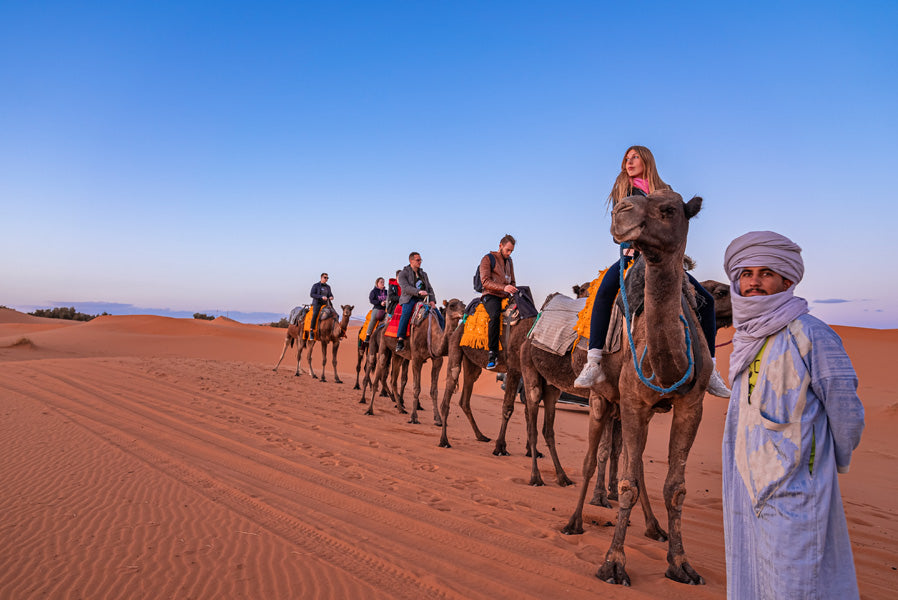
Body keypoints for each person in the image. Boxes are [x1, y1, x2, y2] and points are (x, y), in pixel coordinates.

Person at [721, 231, 864, 600]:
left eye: (765, 273)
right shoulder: (745, 340)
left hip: (799, 485)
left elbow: (845, 407)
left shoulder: (811, 334)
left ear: (787, 280)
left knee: (799, 581)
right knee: (755, 570)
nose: (753, 281)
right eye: (747, 273)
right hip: (747, 486)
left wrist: (835, 462)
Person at [574, 145, 730, 397]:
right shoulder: (623, 190)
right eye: (626, 158)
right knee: (603, 295)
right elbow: (619, 227)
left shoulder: (664, 192)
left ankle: (709, 370)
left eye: (634, 157)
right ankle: (594, 362)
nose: (629, 161)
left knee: (707, 301)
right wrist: (629, 246)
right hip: (633, 258)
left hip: (662, 260)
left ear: (646, 160)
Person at [478, 234, 518, 369]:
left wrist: (512, 288)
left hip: (506, 295)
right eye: (508, 250)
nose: (509, 253)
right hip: (491, 295)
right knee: (495, 316)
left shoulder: (510, 261)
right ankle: (492, 353)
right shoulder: (488, 259)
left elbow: (512, 280)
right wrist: (503, 287)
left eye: (511, 251)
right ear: (500, 246)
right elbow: (485, 282)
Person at [395, 252, 437, 352]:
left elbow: (429, 288)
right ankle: (400, 340)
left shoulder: (423, 274)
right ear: (411, 261)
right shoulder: (403, 273)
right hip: (409, 298)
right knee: (406, 313)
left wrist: (432, 300)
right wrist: (418, 292)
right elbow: (405, 288)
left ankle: (443, 338)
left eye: (420, 260)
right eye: (418, 260)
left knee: (437, 314)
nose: (420, 262)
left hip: (423, 299)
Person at [309, 273, 333, 341]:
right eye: (325, 277)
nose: (326, 279)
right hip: (317, 303)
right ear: (321, 278)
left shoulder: (328, 287)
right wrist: (321, 297)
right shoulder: (316, 285)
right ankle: (311, 331)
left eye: (327, 278)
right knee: (315, 314)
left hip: (326, 304)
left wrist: (331, 297)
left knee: (334, 314)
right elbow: (312, 294)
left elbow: (330, 294)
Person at [364, 277, 388, 343]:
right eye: (381, 282)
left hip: (386, 309)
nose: (383, 283)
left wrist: (386, 302)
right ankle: (368, 336)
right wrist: (380, 303)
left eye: (383, 282)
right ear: (377, 283)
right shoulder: (374, 291)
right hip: (377, 308)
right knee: (373, 318)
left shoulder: (386, 292)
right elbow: (371, 300)